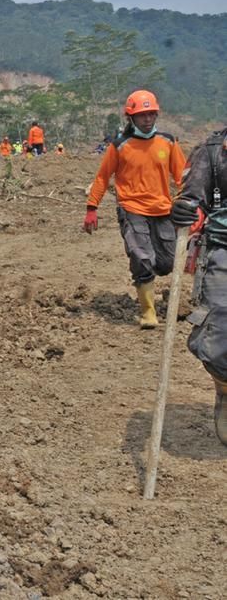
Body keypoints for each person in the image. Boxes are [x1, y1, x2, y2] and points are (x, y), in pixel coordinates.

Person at [83, 90, 185, 328]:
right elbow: (102, 177)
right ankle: (148, 312)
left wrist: (188, 202)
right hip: (132, 209)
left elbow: (182, 176)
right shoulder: (120, 146)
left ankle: (149, 281)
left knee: (168, 262)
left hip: (163, 210)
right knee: (142, 257)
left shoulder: (168, 142)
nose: (147, 119)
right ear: (131, 117)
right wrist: (91, 208)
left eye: (151, 114)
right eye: (141, 115)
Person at [171, 126, 227, 444]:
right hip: (223, 250)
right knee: (220, 339)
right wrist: (184, 210)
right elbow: (192, 202)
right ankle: (225, 389)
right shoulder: (212, 152)